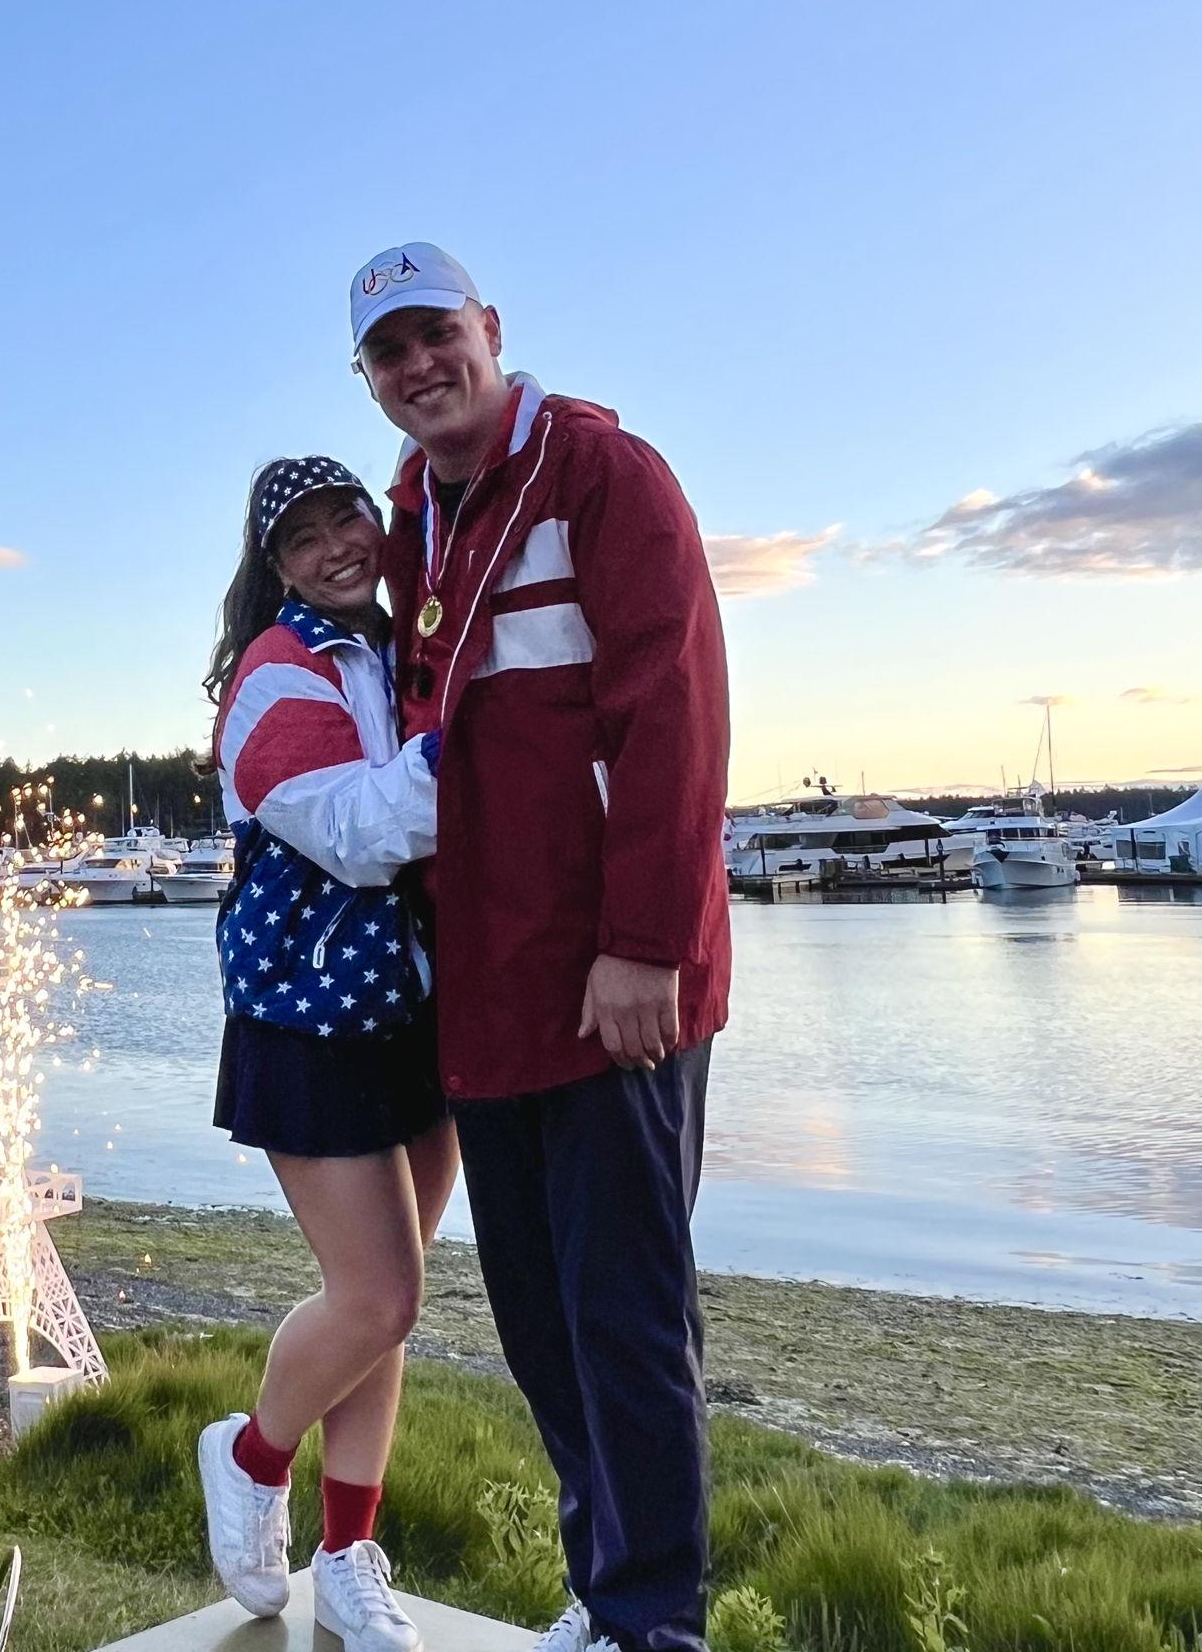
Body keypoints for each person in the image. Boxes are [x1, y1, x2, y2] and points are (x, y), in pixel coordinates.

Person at [350, 243, 732, 1652]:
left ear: (491, 329)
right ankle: (602, 1583)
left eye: (436, 333)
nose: (419, 368)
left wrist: (649, 947)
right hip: (489, 994)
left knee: (627, 1323)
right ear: (369, 380)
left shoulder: (601, 478)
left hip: (611, 990)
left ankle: (653, 1625)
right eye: (389, 353)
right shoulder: (413, 516)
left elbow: (676, 721)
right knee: (538, 1325)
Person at [195, 455, 457, 1652]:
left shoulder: (413, 649)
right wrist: (486, 742)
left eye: (344, 516)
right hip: (310, 1017)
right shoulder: (272, 675)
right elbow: (359, 836)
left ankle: (346, 1556)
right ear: (273, 567)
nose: (332, 546)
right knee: (378, 1291)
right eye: (298, 538)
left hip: (419, 1006)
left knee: (387, 1314)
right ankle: (251, 1456)